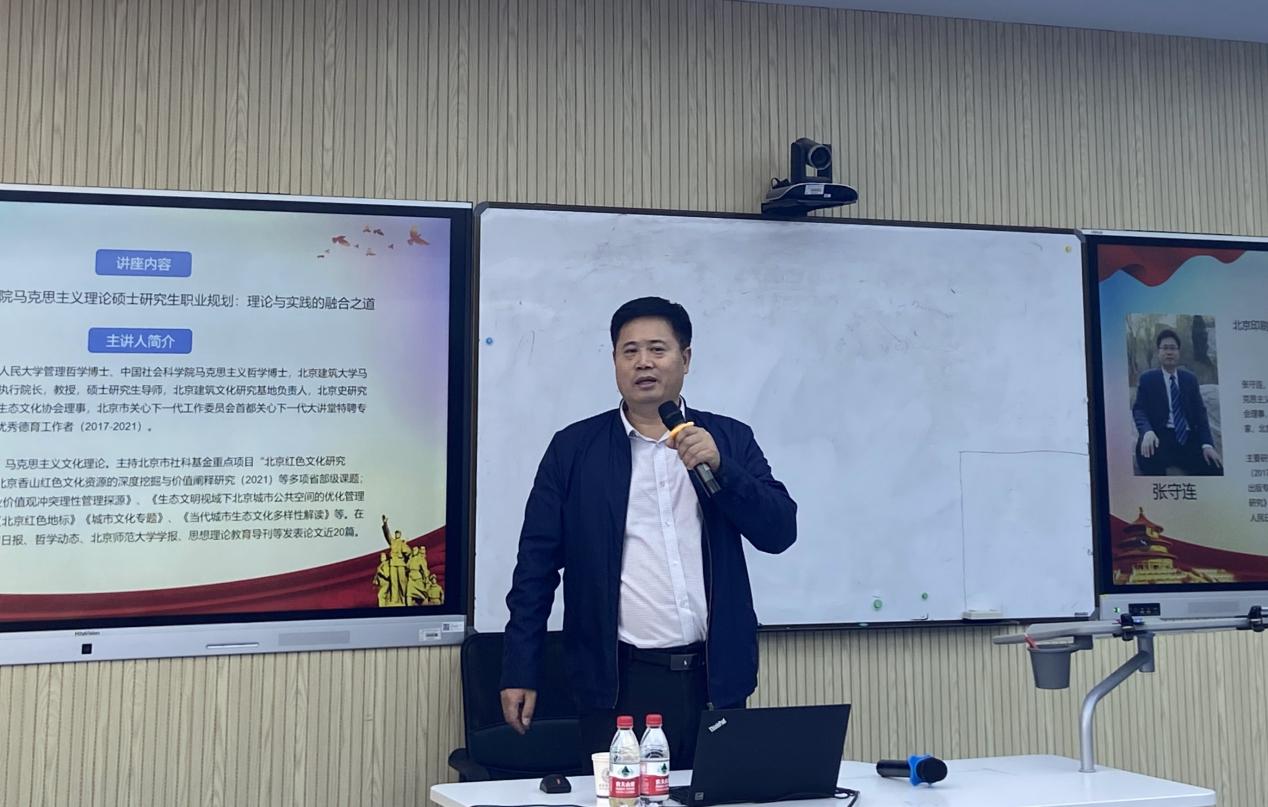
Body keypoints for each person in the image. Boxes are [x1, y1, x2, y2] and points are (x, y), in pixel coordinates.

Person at [499, 296, 797, 769]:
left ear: (686, 358)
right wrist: (520, 667)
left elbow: (779, 532)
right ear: (615, 361)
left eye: (657, 349)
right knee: (623, 800)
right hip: (617, 684)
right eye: (630, 351)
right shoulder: (573, 450)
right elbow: (535, 566)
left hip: (715, 680)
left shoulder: (729, 438)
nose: (643, 362)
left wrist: (724, 467)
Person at [1132, 328, 1223, 476]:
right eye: (1165, 348)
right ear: (1158, 352)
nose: (1169, 352)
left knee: (1215, 467)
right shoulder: (1148, 379)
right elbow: (1139, 410)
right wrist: (1147, 431)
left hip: (1187, 438)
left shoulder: (1190, 379)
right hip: (1160, 436)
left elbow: (1200, 414)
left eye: (1173, 348)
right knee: (1147, 457)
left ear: (1179, 352)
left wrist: (1207, 444)